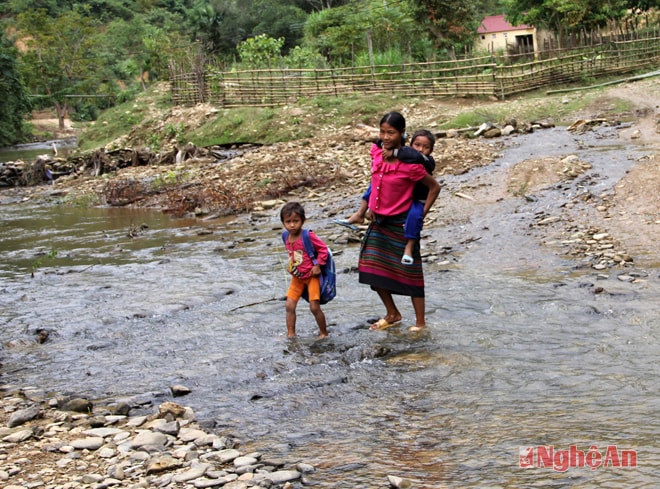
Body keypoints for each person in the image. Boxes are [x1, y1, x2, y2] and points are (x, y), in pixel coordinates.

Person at [358, 112, 440, 332]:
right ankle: (392, 313)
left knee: (411, 273)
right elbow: (375, 182)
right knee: (371, 270)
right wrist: (371, 207)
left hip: (402, 224)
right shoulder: (377, 154)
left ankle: (420, 323)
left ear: (402, 133)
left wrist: (421, 214)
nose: (385, 136)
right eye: (382, 132)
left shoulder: (410, 164)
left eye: (391, 132)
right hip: (380, 222)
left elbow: (434, 188)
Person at [336, 130, 437, 265]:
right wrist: (387, 139)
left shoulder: (426, 161)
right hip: (401, 195)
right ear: (410, 144)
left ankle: (409, 247)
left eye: (426, 147)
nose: (420, 149)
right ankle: (360, 213)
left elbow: (415, 157)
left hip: (418, 198)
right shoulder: (405, 156)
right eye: (417, 145)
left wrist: (394, 152)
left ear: (431, 150)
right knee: (374, 185)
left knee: (415, 217)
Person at [280, 202, 329, 339]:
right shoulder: (285, 237)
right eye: (288, 222)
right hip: (297, 277)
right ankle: (291, 334)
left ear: (302, 220)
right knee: (289, 306)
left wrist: (318, 265)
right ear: (283, 222)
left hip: (311, 277)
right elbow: (293, 253)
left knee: (314, 307)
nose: (292, 225)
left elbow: (323, 250)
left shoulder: (308, 236)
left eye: (295, 221)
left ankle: (323, 333)